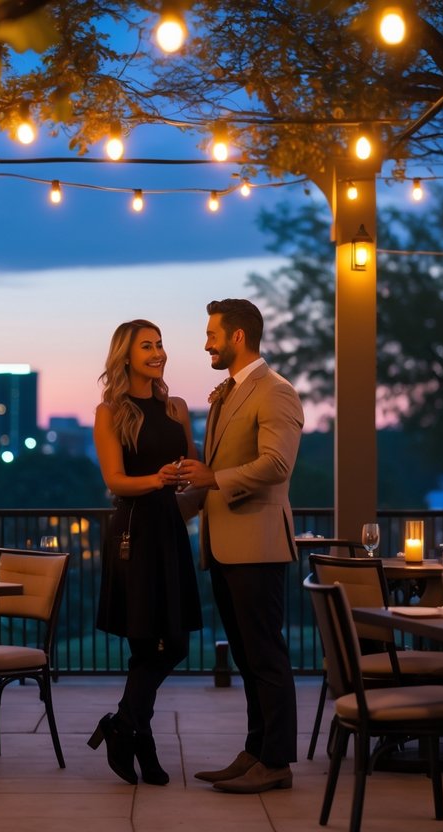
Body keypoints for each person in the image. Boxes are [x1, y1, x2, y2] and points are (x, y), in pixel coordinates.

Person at [176, 298, 304, 794]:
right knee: (249, 659)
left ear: (237, 337)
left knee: (266, 657)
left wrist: (213, 477)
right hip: (227, 546)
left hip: (258, 546)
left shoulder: (276, 393)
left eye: (211, 333)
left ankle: (277, 763)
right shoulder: (227, 394)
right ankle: (255, 752)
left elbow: (277, 465)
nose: (205, 342)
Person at [88, 319, 202, 786]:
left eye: (159, 344)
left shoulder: (175, 407)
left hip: (169, 529)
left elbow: (192, 469)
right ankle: (142, 744)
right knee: (143, 642)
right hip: (134, 531)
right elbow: (114, 481)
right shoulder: (109, 411)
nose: (157, 353)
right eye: (147, 346)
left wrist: (190, 478)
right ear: (126, 357)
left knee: (173, 642)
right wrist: (158, 479)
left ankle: (123, 725)